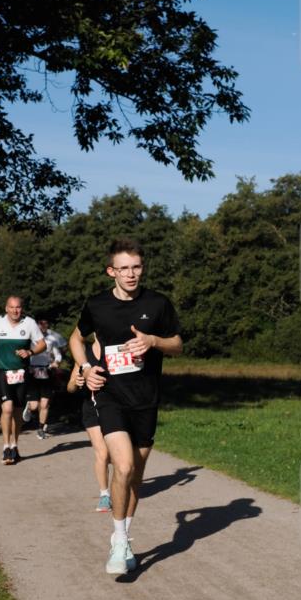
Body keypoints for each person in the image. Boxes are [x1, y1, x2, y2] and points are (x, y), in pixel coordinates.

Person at [70, 238, 182, 575]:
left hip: (145, 399)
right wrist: (86, 368)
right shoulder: (97, 305)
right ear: (111, 272)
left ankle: (125, 536)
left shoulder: (158, 304)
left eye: (136, 267)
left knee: (134, 477)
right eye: (124, 269)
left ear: (142, 269)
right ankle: (118, 542)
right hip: (110, 395)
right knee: (123, 465)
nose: (131, 274)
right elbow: (76, 338)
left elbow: (177, 344)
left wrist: (153, 341)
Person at [0, 297, 45, 465]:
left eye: (18, 307)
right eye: (12, 307)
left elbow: (42, 344)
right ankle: (6, 446)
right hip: (3, 371)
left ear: (21, 308)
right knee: (7, 408)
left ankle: (15, 445)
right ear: (6, 308)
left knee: (17, 411)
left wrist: (30, 352)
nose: (15, 311)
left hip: (22, 373)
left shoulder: (29, 323)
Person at [67, 337, 112, 511]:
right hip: (92, 408)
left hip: (116, 408)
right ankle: (104, 495)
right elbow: (70, 387)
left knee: (117, 455)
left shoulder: (115, 347)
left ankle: (121, 483)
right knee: (102, 453)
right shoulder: (83, 353)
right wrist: (76, 382)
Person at [23, 317, 66, 439]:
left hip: (46, 371)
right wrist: (27, 365)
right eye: (41, 323)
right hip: (33, 371)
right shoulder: (30, 339)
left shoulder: (51, 339)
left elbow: (58, 355)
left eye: (45, 323)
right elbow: (23, 353)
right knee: (34, 405)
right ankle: (29, 407)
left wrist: (56, 362)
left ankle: (41, 429)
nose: (43, 325)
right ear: (37, 325)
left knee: (45, 403)